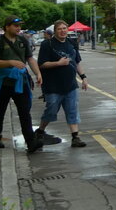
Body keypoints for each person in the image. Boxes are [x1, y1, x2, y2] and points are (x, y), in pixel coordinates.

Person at [0, 16, 43, 153]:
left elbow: (30, 58)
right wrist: (11, 62)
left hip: (20, 82)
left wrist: (38, 73)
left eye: (19, 26)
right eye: (15, 26)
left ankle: (30, 142)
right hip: (3, 82)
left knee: (24, 112)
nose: (18, 28)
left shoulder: (23, 40)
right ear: (7, 27)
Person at [36, 19, 89, 148]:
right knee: (51, 110)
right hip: (53, 85)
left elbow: (77, 62)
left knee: (72, 110)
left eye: (64, 28)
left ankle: (75, 137)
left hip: (70, 84)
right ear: (54, 31)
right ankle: (40, 131)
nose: (62, 31)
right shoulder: (47, 44)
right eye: (59, 29)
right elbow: (41, 64)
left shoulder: (71, 43)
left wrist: (83, 77)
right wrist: (58, 63)